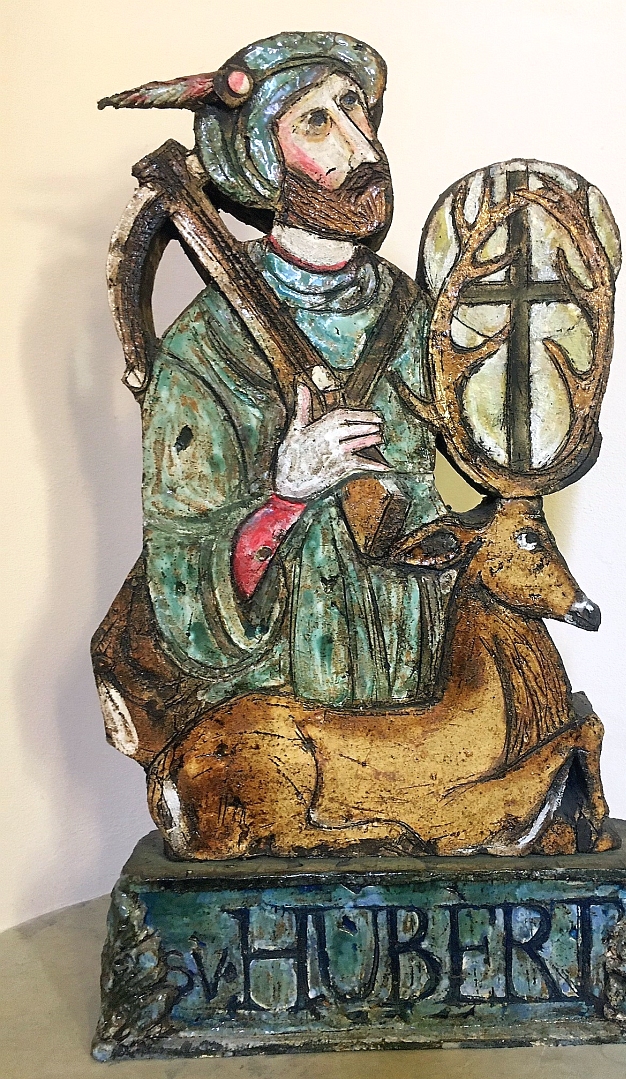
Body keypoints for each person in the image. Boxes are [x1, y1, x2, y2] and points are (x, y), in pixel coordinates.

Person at [95, 32, 447, 722]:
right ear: (260, 157)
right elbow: (183, 602)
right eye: (316, 122)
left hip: (414, 689)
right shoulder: (207, 347)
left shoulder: (413, 314)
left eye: (354, 106)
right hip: (281, 713)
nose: (364, 148)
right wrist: (286, 497)